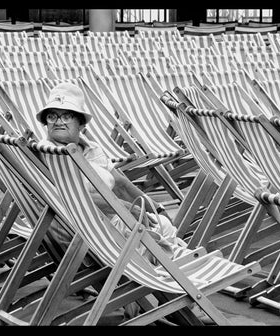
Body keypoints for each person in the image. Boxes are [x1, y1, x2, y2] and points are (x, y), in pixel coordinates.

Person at [36, 82, 187, 263]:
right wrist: (123, 209)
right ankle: (179, 269)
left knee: (162, 223)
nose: (59, 122)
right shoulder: (50, 153)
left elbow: (121, 185)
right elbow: (69, 198)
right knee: (160, 234)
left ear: (81, 123)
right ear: (46, 122)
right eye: (52, 116)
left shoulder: (90, 149)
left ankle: (179, 264)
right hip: (89, 235)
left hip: (110, 223)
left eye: (66, 116)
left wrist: (156, 207)